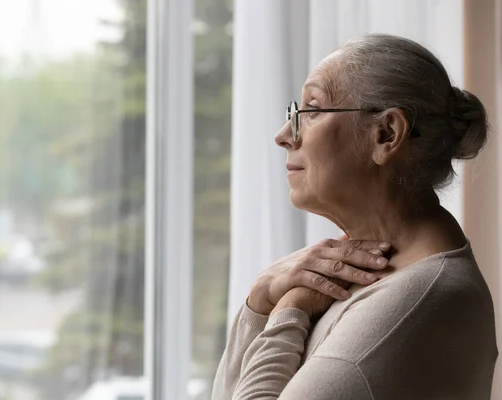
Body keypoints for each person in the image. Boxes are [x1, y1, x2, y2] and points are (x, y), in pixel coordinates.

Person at [212, 34, 498, 400]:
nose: (284, 135)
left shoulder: (416, 301)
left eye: (312, 110)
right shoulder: (364, 275)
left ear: (386, 133)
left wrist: (290, 306)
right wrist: (260, 300)